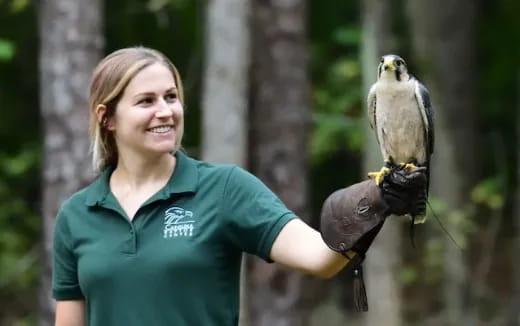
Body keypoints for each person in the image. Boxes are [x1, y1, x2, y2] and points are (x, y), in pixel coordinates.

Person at [52, 46, 426, 325]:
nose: (165, 111)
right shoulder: (77, 216)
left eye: (171, 97)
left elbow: (320, 258)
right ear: (108, 118)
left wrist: (377, 199)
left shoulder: (223, 188)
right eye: (146, 101)